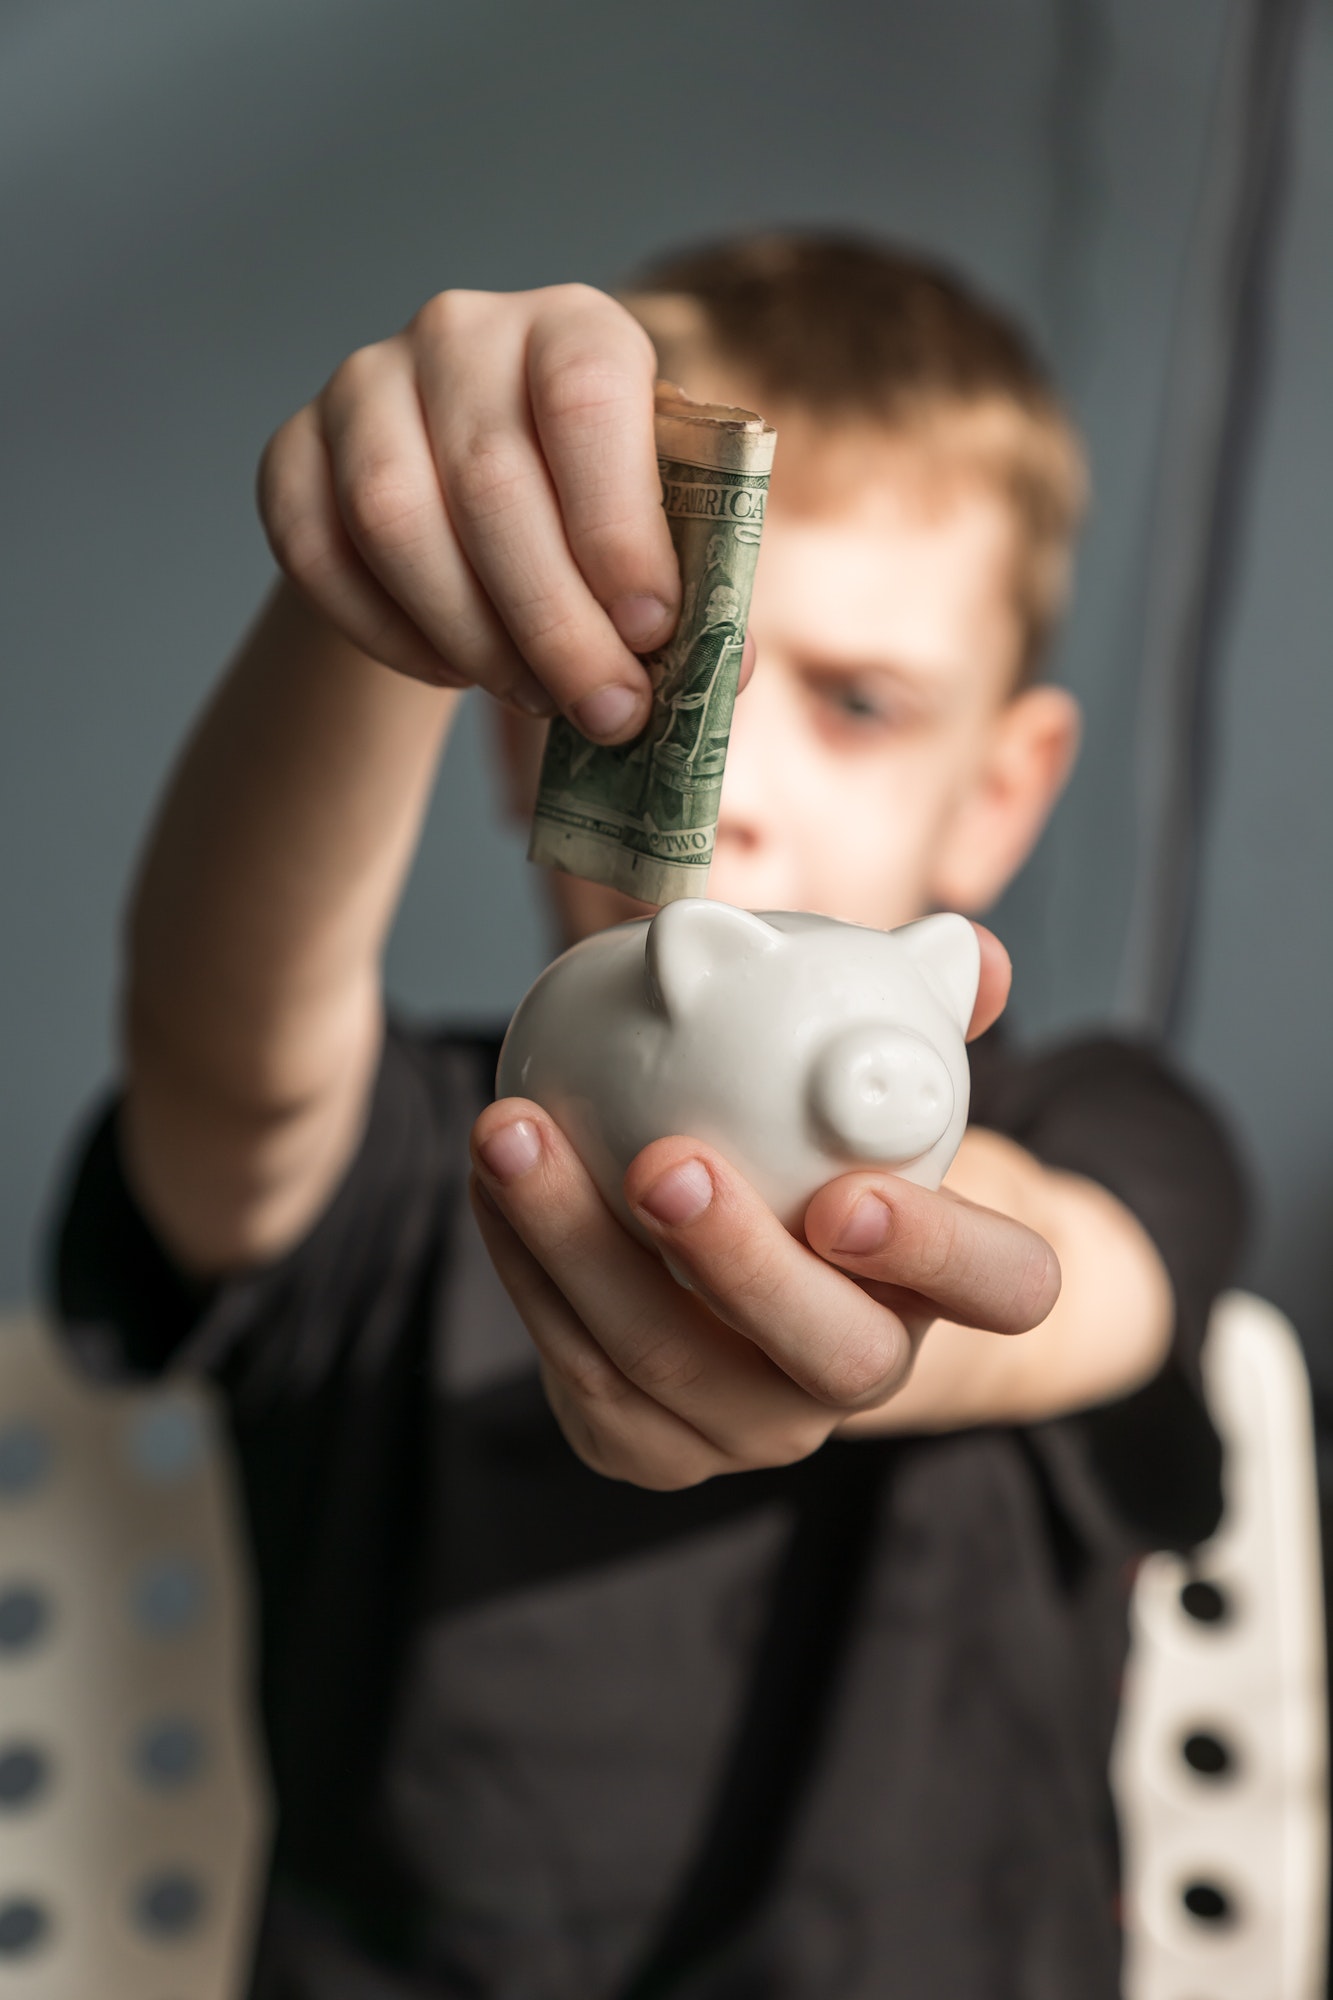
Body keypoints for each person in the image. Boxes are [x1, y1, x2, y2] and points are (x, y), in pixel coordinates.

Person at [52, 234, 1244, 1999]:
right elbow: (223, 1044)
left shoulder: (1100, 1121)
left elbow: (1081, 1276)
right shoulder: (397, 1158)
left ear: (998, 796)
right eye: (673, 662)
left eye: (854, 703)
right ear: (510, 721)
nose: (737, 788)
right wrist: (368, 607)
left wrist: (897, 1307)